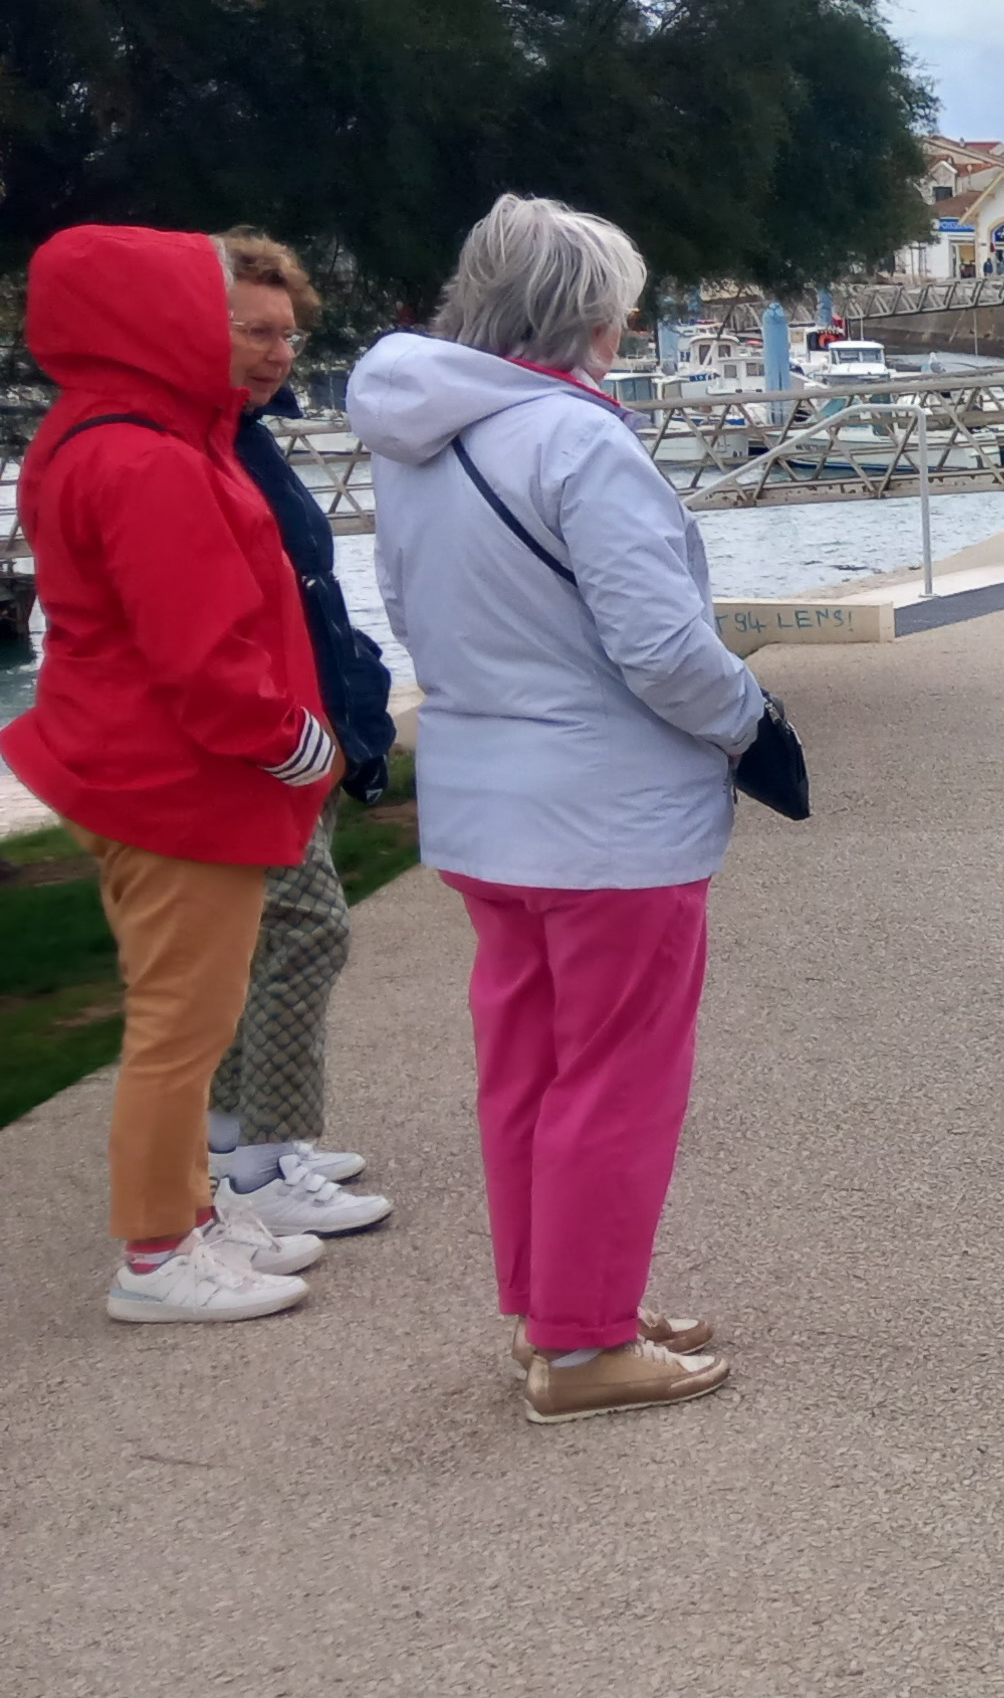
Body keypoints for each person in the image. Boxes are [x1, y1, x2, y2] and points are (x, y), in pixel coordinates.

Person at [352, 196, 780, 1417]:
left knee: (529, 1067)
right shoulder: (579, 443)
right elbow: (661, 644)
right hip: (607, 813)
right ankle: (586, 1342)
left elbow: (416, 609)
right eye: (621, 303)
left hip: (487, 798)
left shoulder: (421, 443)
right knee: (617, 1074)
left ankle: (560, 1306)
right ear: (588, 314)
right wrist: (752, 721)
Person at [5, 227, 349, 1324]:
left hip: (147, 761)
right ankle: (155, 1252)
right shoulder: (143, 454)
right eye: (222, 312)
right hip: (172, 777)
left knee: (190, 1015)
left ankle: (191, 1214)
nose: (247, 339)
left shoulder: (117, 432)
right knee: (182, 1024)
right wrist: (296, 740)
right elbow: (201, 652)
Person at [205, 233, 401, 1224]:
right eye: (256, 330)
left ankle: (240, 1145)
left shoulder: (241, 436)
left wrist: (352, 713)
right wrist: (292, 736)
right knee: (303, 930)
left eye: (288, 332)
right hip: (258, 740)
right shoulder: (197, 446)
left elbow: (309, 589)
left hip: (302, 719)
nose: (280, 351)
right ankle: (264, 1166)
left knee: (264, 940)